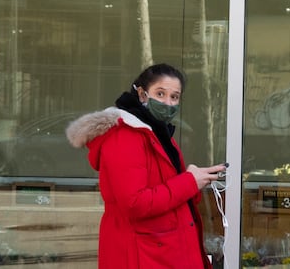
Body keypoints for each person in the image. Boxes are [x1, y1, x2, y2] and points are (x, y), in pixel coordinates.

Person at [66, 64, 223, 268]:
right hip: (143, 254)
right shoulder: (125, 136)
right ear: (141, 94)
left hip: (159, 251)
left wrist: (193, 178)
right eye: (160, 93)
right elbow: (135, 203)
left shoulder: (156, 133)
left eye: (174, 97)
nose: (168, 103)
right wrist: (189, 181)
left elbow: (164, 190)